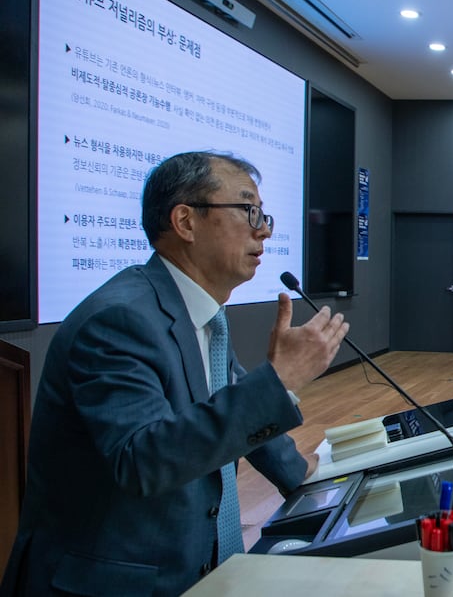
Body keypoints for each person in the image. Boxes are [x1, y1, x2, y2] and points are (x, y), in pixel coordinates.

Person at [0, 152, 349, 597]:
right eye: (247, 211)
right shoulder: (119, 321)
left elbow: (228, 402)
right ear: (185, 221)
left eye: (263, 215)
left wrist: (302, 472)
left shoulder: (199, 314)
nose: (263, 229)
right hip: (110, 584)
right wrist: (279, 381)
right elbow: (143, 459)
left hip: (186, 569)